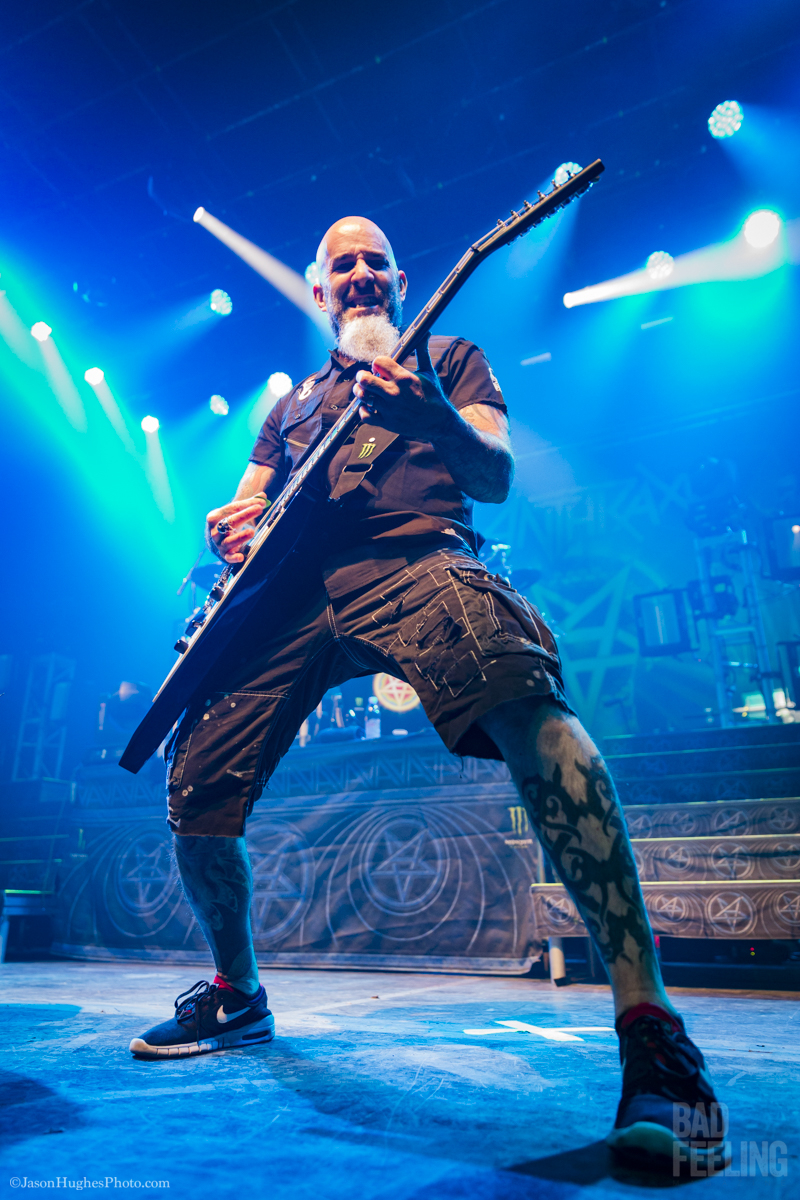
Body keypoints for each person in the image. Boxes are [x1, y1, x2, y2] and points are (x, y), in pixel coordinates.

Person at [131, 216, 727, 1173]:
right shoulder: (289, 408)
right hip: (289, 599)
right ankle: (239, 995)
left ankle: (651, 1028)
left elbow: (495, 475)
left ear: (402, 282)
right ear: (320, 291)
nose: (362, 274)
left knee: (526, 698)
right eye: (344, 265)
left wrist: (435, 419)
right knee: (195, 784)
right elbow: (245, 506)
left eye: (377, 262)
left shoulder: (449, 359)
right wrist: (228, 528)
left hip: (416, 561)